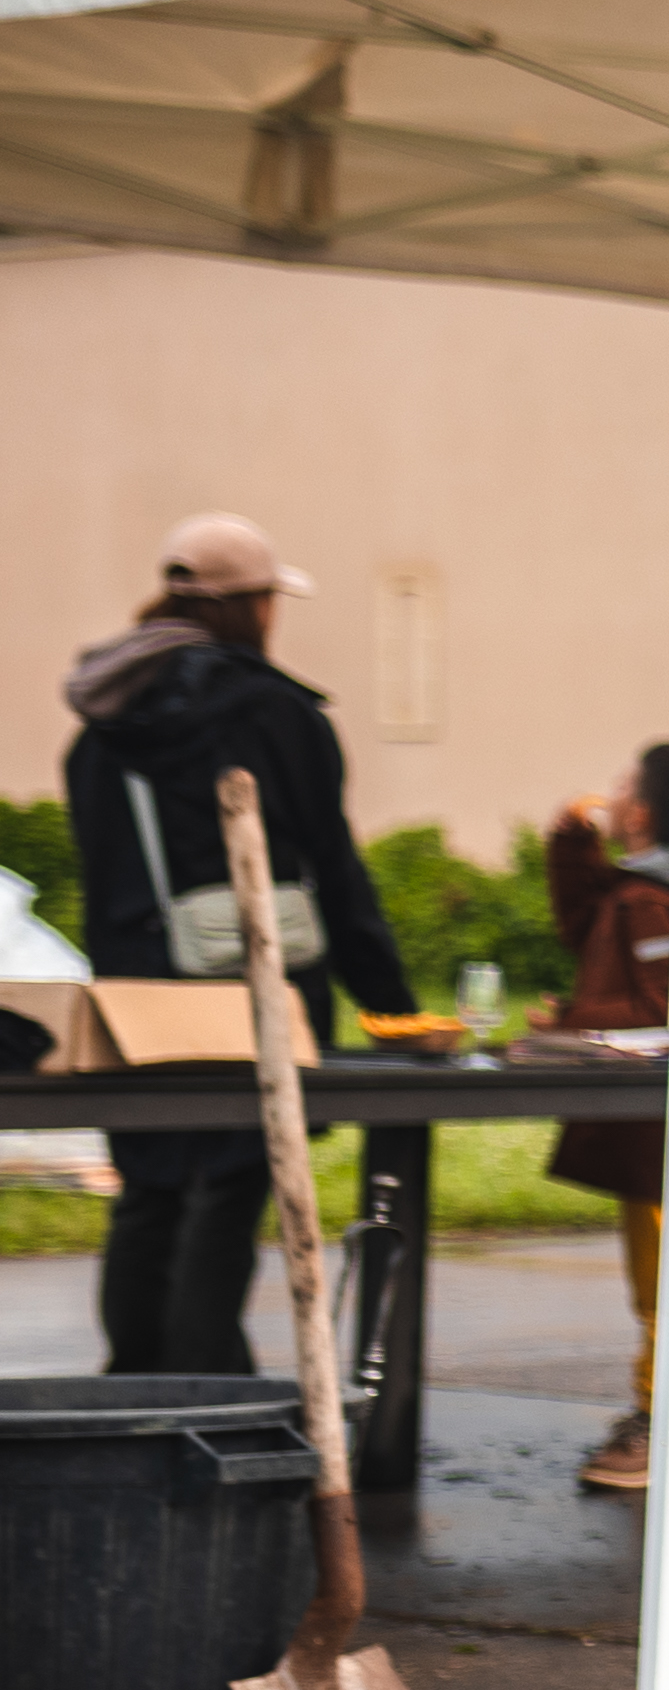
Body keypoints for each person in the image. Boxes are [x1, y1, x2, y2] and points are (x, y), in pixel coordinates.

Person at [59, 512, 414, 1377]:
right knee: (227, 1193)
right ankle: (205, 1399)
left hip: (133, 992)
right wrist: (390, 1006)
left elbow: (101, 871)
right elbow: (332, 865)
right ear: (249, 605)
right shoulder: (276, 713)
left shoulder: (101, 725)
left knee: (147, 1192)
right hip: (247, 986)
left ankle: (132, 1393)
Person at [545, 742, 669, 1493]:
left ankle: (665, 1420)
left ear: (647, 811)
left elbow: (666, 1012)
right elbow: (581, 918)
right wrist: (569, 841)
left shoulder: (662, 900)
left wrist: (574, 1025)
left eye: (622, 784)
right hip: (645, 1114)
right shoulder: (637, 890)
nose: (609, 790)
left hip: (667, 1112)